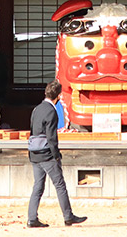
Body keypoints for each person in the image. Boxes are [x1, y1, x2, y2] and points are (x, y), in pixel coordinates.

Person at [28, 80, 87, 228]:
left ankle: (31, 218)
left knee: (38, 186)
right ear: (59, 96)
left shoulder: (37, 109)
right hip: (47, 153)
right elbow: (51, 136)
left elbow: (33, 131)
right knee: (60, 185)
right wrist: (56, 155)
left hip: (34, 152)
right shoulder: (51, 111)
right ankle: (68, 216)